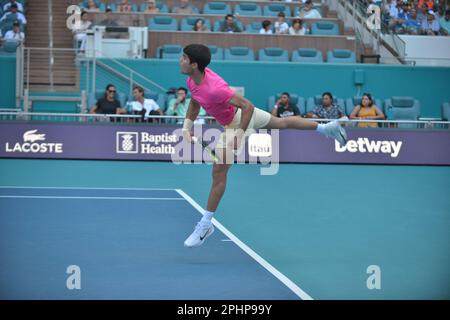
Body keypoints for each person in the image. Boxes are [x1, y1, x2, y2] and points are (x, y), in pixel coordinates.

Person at [180, 44, 348, 248]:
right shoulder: (192, 80)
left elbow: (248, 107)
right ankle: (327, 129)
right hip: (238, 118)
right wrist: (186, 127)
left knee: (219, 170)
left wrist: (238, 135)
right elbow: (195, 102)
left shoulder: (216, 89)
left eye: (184, 58)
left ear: (194, 64)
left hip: (239, 121)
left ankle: (206, 225)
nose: (180, 61)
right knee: (281, 123)